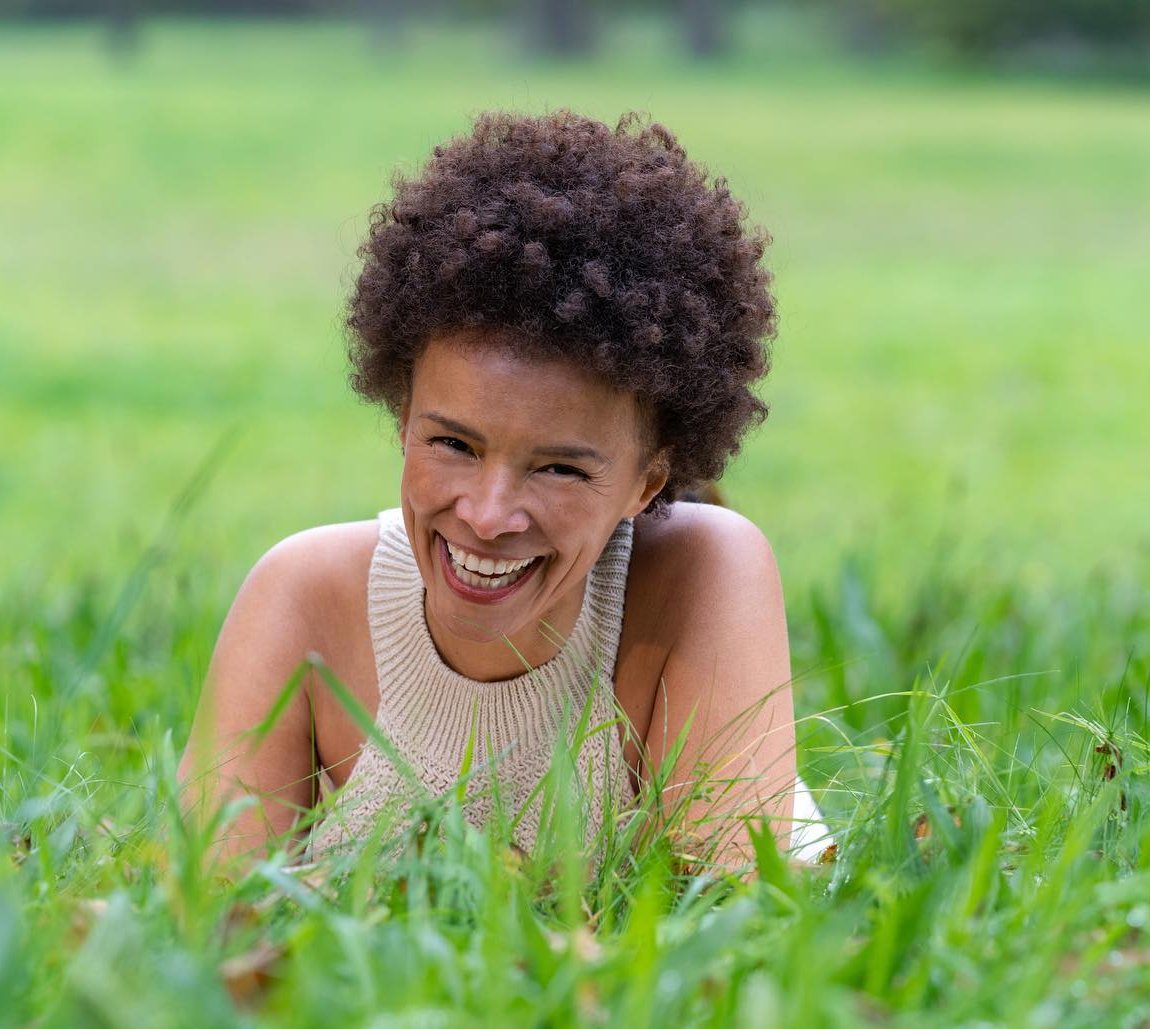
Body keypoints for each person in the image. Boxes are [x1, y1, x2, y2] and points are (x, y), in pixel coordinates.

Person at [179, 108, 828, 870]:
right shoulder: (303, 599)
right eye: (453, 443)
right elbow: (207, 921)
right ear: (403, 418)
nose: (487, 516)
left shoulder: (701, 574)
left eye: (558, 468)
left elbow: (729, 920)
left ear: (647, 480)